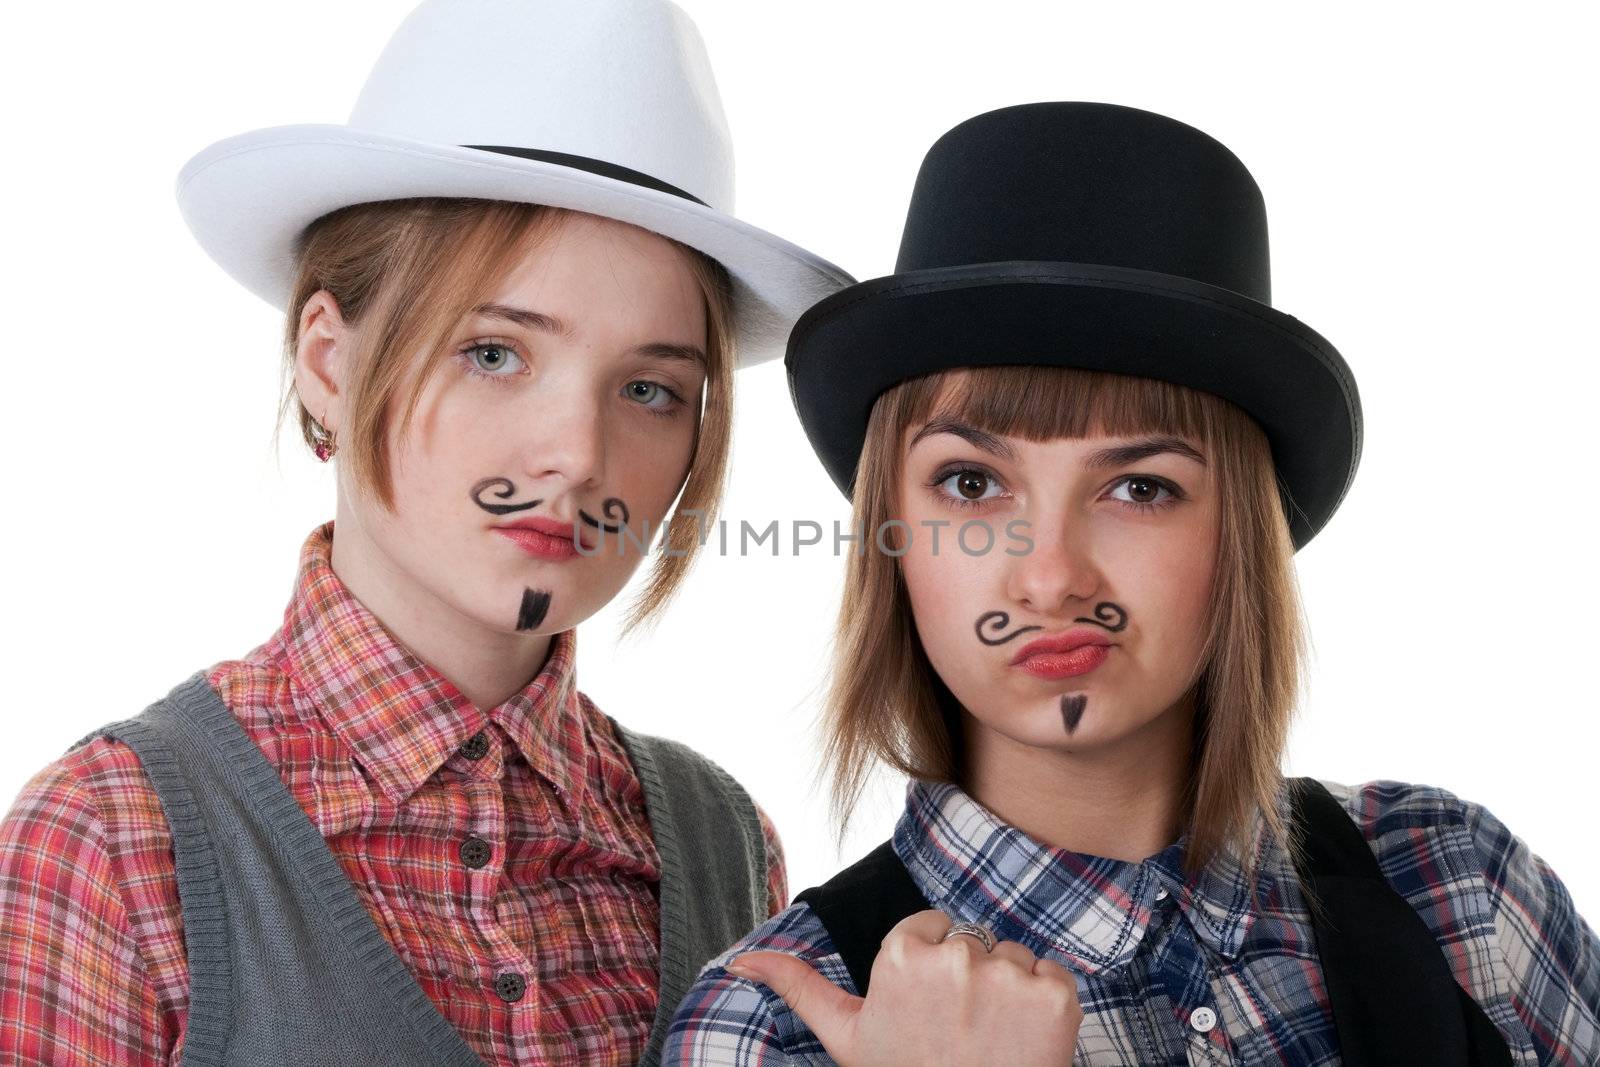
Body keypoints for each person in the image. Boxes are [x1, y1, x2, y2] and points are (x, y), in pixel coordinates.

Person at [0, 1, 852, 1065]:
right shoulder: (116, 839)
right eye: (495, 353)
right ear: (328, 360)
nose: (577, 453)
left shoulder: (722, 843)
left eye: (648, 387)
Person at [666, 102, 1600, 1065]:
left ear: (1238, 533)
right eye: (973, 483)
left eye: (1140, 487)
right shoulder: (777, 1023)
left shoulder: (1453, 885)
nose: (1052, 576)